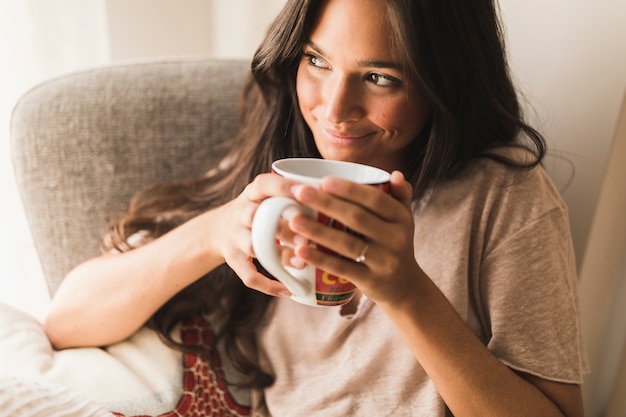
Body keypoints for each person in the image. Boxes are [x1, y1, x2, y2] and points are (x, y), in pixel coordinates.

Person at [44, 0, 589, 415]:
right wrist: (216, 231)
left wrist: (406, 293)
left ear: (443, 81)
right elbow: (66, 323)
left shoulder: (503, 198)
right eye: (317, 61)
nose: (333, 111)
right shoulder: (283, 162)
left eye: (380, 77)